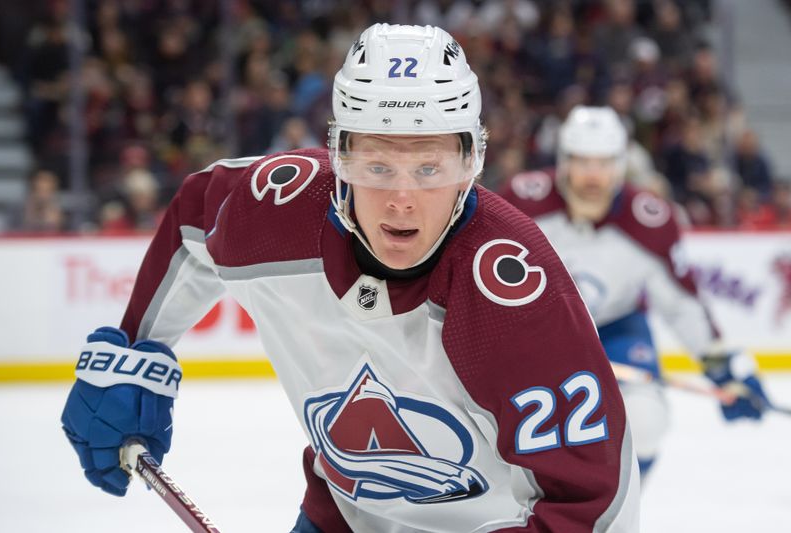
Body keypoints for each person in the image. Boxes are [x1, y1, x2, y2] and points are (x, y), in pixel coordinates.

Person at [61, 25, 639, 532]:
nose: (402, 201)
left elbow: (594, 505)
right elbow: (194, 216)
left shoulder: (514, 293)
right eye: (377, 166)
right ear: (338, 157)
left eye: (430, 168)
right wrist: (139, 349)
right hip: (345, 514)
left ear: (471, 165)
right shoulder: (278, 207)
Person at [499, 105, 772, 481]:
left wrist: (725, 370)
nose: (593, 176)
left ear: (621, 164)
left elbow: (682, 307)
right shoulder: (519, 203)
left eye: (604, 163)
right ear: (563, 161)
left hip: (616, 331)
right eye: (582, 161)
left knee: (645, 421)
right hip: (534, 334)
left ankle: (616, 511)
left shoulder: (650, 222)